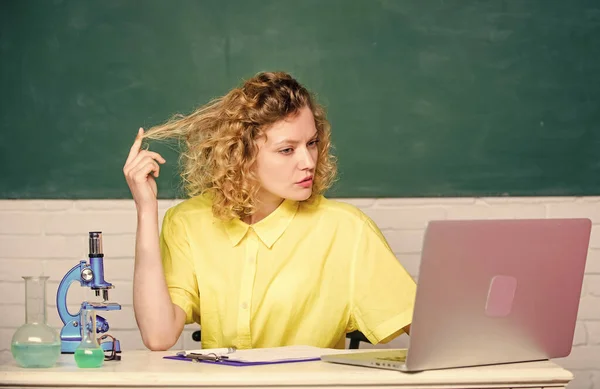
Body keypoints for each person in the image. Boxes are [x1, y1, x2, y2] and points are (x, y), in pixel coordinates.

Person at [123, 71, 416, 351]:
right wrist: (146, 210)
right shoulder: (187, 222)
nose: (308, 161)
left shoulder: (347, 229)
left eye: (312, 143)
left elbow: (432, 331)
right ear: (241, 154)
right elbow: (158, 335)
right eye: (287, 150)